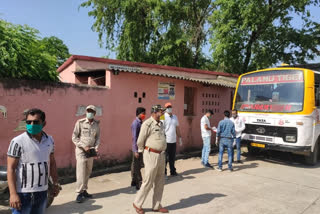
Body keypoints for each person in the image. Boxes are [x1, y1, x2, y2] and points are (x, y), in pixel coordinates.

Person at [7, 108, 60, 214]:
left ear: (44, 123)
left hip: (42, 192)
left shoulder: (49, 140)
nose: (31, 124)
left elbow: (52, 163)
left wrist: (55, 183)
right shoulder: (17, 142)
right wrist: (13, 194)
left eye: (35, 122)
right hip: (23, 194)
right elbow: (11, 168)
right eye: (28, 122)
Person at [133, 105, 169, 214]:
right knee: (148, 181)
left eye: (163, 111)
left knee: (160, 181)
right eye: (160, 111)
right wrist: (141, 152)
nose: (162, 113)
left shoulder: (161, 124)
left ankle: (156, 205)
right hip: (151, 154)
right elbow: (140, 140)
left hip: (161, 155)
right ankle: (137, 203)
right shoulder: (147, 124)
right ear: (154, 112)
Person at [72, 105, 100, 203]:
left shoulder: (96, 124)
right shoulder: (80, 123)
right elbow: (74, 137)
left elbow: (97, 138)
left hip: (91, 152)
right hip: (81, 151)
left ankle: (84, 190)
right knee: (81, 172)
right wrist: (83, 146)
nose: (90, 112)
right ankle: (79, 193)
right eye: (88, 111)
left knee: (88, 171)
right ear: (86, 112)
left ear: (95, 113)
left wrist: (96, 148)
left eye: (92, 111)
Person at [163, 102, 182, 177]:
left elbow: (177, 128)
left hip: (173, 141)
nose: (169, 108)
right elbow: (161, 129)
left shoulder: (175, 117)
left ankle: (173, 171)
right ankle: (164, 173)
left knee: (172, 158)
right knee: (164, 159)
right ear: (165, 109)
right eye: (168, 107)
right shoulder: (162, 117)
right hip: (166, 141)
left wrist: (180, 137)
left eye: (170, 107)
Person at [131, 107, 146, 190]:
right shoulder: (135, 123)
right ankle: (138, 182)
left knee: (135, 165)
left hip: (140, 147)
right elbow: (134, 137)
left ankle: (133, 180)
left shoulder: (141, 122)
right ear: (139, 114)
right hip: (137, 148)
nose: (144, 115)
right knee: (137, 166)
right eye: (143, 113)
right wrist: (136, 151)